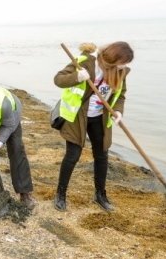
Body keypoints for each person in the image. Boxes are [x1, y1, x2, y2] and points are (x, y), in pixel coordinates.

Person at [53, 42, 133, 212]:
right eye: (122, 62)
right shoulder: (84, 63)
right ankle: (60, 193)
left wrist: (118, 112)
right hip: (77, 117)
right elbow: (58, 80)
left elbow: (120, 95)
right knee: (72, 155)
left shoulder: (120, 72)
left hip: (100, 118)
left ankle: (100, 195)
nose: (124, 66)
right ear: (112, 60)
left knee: (102, 155)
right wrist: (77, 77)